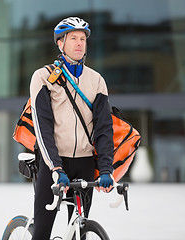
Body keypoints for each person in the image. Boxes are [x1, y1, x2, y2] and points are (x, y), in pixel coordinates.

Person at [30, 17, 114, 239]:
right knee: (42, 231)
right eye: (73, 38)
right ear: (60, 43)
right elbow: (43, 127)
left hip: (85, 162)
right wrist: (56, 168)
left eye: (83, 39)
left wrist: (106, 169)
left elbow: (104, 128)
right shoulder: (43, 77)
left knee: (79, 231)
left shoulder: (96, 80)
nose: (79, 43)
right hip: (53, 163)